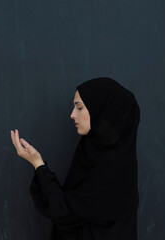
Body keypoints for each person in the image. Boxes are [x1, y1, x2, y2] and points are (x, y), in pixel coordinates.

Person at [11, 77, 140, 239]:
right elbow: (70, 206)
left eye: (79, 107)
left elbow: (64, 211)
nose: (72, 115)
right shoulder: (91, 153)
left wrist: (38, 164)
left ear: (100, 110)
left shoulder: (110, 167)